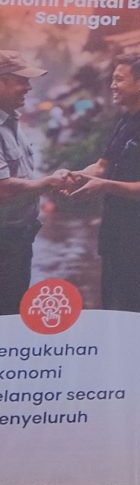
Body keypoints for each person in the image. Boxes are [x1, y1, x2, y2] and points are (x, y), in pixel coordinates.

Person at [61, 51, 140, 313]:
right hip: (116, 233)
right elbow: (102, 165)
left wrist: (104, 186)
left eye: (119, 79)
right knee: (112, 304)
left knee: (136, 309)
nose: (112, 85)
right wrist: (75, 176)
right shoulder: (127, 117)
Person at [0, 53, 51, 313]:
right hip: (4, 244)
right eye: (22, 81)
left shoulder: (12, 122)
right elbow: (4, 188)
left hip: (17, 242)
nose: (28, 88)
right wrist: (50, 182)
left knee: (13, 312)